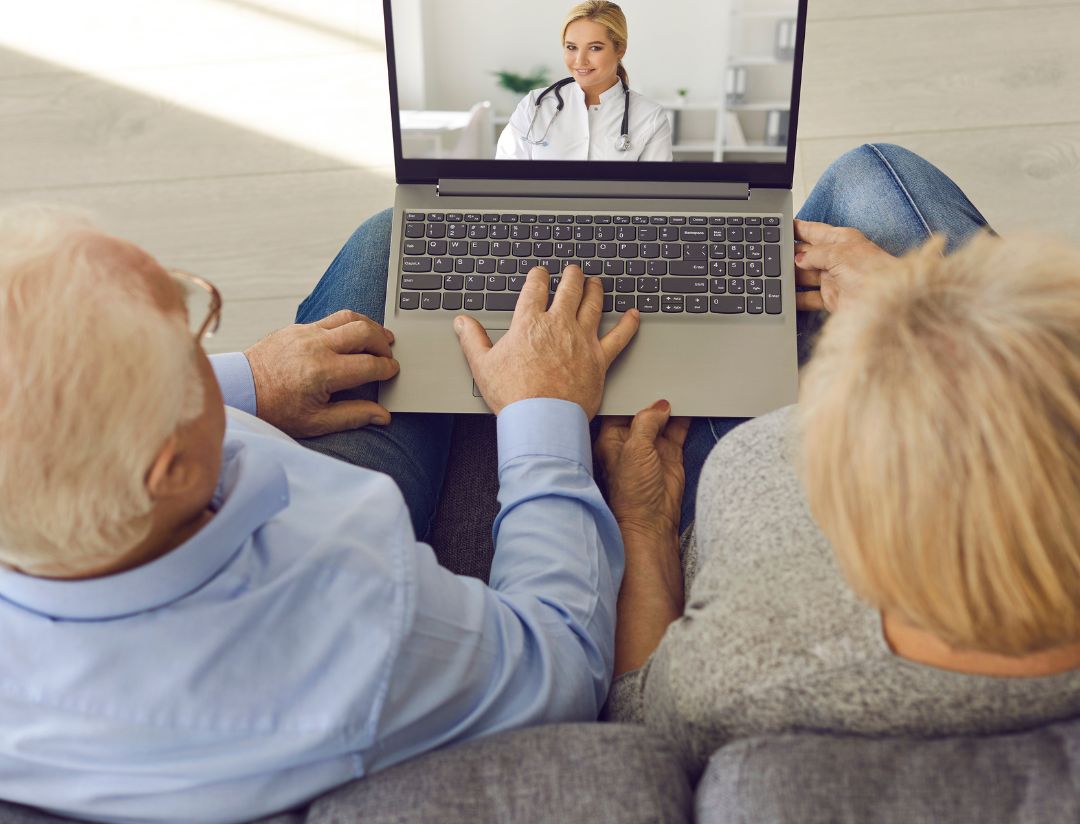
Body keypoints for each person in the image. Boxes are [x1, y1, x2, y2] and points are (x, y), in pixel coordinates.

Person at [0, 205, 641, 824]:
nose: (197, 318)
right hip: (346, 576)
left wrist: (247, 379)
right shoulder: (355, 629)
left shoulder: (70, 510)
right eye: (186, 332)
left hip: (267, 512)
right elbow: (559, 662)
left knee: (399, 240)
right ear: (172, 468)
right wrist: (545, 411)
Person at [595, 144, 1080, 773]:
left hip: (681, 494)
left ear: (852, 527)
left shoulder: (736, 670)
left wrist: (642, 520)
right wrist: (920, 307)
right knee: (867, 173)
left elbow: (640, 723)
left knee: (867, 178)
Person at [495, 0, 673, 161]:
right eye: (571, 47)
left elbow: (654, 193)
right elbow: (504, 181)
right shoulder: (533, 106)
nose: (580, 60)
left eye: (595, 48)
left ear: (620, 49)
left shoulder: (650, 117)